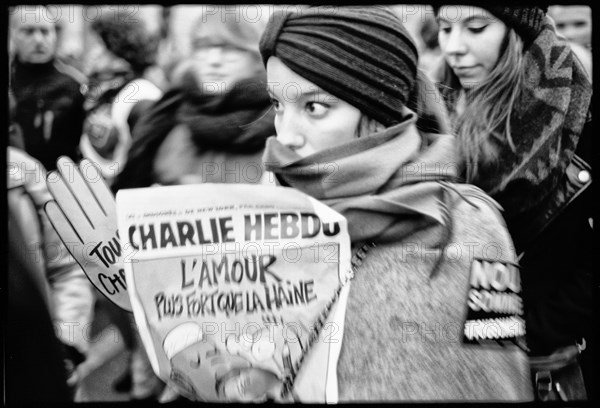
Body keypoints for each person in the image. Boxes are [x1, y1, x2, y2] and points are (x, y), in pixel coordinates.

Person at [258, 6, 532, 401]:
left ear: (377, 111)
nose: (286, 137)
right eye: (278, 105)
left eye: (314, 108)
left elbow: (499, 384)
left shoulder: (467, 222)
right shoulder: (270, 215)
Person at [435, 5, 593, 401]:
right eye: (444, 28)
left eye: (475, 27)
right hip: (437, 364)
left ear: (518, 32)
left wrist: (519, 331)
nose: (454, 47)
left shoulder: (579, 119)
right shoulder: (427, 111)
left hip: (540, 372)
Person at [113, 7, 274, 190]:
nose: (214, 59)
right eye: (204, 46)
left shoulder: (283, 122)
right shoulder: (165, 115)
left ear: (256, 59)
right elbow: (127, 195)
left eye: (229, 48)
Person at [79, 13, 163, 185]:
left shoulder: (142, 97)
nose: (93, 53)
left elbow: (147, 166)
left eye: (100, 46)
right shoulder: (106, 89)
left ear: (120, 55)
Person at [9, 5, 86, 171]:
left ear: (54, 35)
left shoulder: (75, 85)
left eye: (45, 31)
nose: (38, 40)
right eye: (28, 31)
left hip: (63, 182)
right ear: (13, 34)